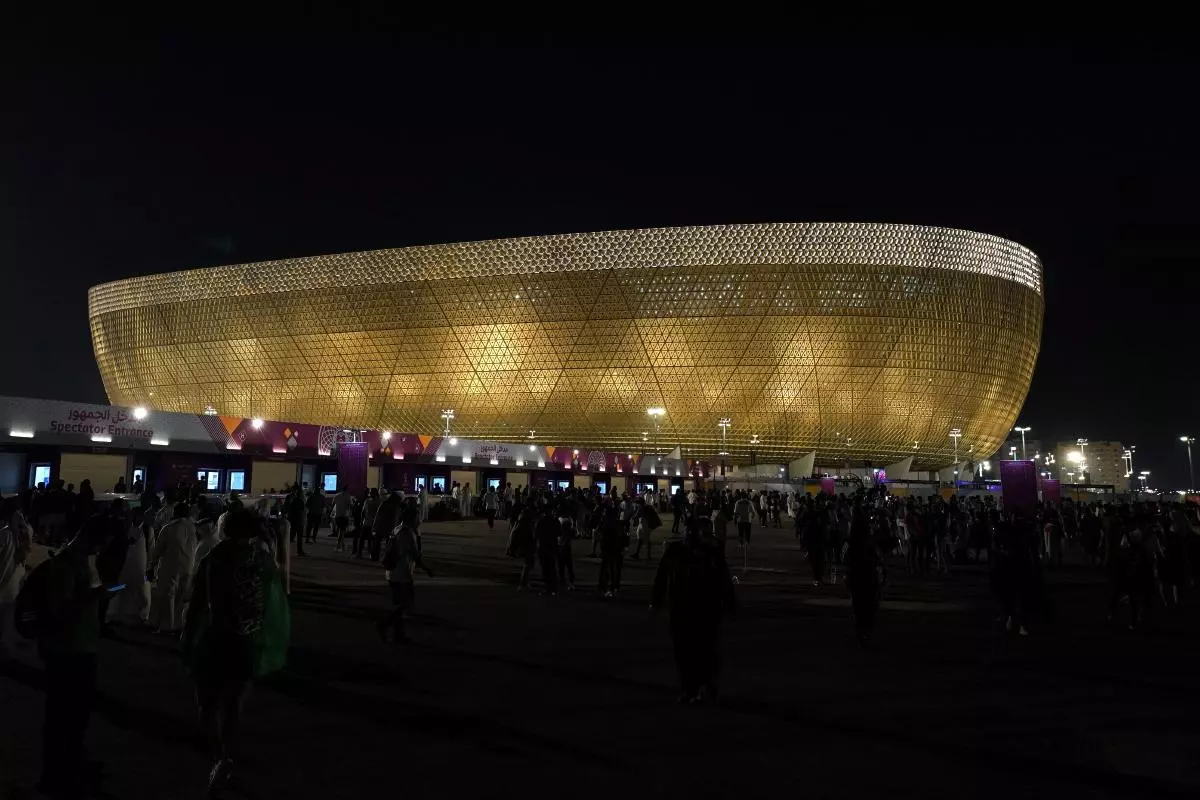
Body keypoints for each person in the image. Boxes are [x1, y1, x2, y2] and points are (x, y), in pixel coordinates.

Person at [184, 507, 288, 793]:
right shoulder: (263, 560)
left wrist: (187, 639)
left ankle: (219, 758)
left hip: (216, 639)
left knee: (207, 705)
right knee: (233, 708)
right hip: (247, 642)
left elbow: (196, 605)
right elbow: (272, 605)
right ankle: (226, 758)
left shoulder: (214, 558)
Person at [34, 515, 119, 797]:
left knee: (77, 713)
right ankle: (56, 775)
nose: (104, 548)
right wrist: (95, 597)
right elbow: (61, 610)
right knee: (62, 715)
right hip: (66, 650)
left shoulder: (83, 562)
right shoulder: (65, 565)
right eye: (104, 542)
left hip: (82, 646)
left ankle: (71, 764)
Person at [651, 524, 736, 703]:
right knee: (686, 650)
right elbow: (662, 576)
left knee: (705, 649)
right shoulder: (679, 553)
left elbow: (724, 580)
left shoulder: (709, 554)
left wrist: (729, 602)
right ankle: (692, 687)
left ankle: (706, 685)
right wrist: (657, 599)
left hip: (704, 609)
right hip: (684, 608)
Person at [376, 518, 433, 644]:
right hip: (402, 573)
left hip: (391, 572)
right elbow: (414, 554)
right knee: (406, 603)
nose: (419, 521)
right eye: (418, 518)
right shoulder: (408, 533)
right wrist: (426, 569)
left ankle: (398, 634)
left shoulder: (397, 529)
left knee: (399, 605)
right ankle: (385, 624)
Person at [149, 503, 198, 634]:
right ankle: (178, 626)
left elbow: (158, 550)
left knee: (168, 596)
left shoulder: (169, 528)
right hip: (188, 566)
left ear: (175, 513)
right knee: (181, 597)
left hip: (171, 567)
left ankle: (167, 626)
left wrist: (151, 566)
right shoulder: (193, 527)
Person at [845, 507, 882, 645]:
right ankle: (864, 631)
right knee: (869, 605)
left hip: (856, 577)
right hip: (867, 577)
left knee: (859, 606)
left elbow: (846, 560)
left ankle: (860, 632)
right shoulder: (868, 543)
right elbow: (877, 559)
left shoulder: (851, 543)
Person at [597, 505, 624, 598]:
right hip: (614, 549)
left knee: (607, 568)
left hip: (609, 549)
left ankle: (606, 587)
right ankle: (612, 587)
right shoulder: (616, 523)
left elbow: (603, 536)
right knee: (612, 569)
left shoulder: (607, 523)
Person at [534, 506, 560, 596]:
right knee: (552, 567)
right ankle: (553, 588)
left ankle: (549, 588)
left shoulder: (541, 522)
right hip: (552, 546)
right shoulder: (555, 521)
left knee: (546, 569)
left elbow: (536, 534)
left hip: (543, 547)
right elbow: (559, 533)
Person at [372, 491, 402, 563]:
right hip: (391, 527)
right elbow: (397, 518)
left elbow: (378, 515)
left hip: (381, 526)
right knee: (389, 544)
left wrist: (374, 526)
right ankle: (387, 558)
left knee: (377, 543)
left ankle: (375, 557)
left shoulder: (384, 503)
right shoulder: (396, 506)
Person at [356, 488, 380, 559]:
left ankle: (360, 554)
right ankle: (371, 554)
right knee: (371, 540)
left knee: (362, 539)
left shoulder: (367, 501)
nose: (370, 493)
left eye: (371, 492)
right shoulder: (379, 501)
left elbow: (363, 512)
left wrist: (361, 521)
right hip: (373, 523)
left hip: (367, 523)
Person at [286, 486, 307, 557]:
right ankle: (299, 551)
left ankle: (285, 550)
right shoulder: (301, 501)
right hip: (299, 520)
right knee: (299, 537)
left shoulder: (292, 501)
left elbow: (289, 510)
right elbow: (303, 511)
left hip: (292, 520)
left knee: (291, 536)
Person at [331, 485, 352, 553]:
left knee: (341, 531)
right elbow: (349, 506)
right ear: (347, 489)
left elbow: (333, 504)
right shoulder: (348, 496)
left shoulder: (336, 496)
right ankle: (338, 547)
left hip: (337, 515)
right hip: (344, 515)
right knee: (341, 532)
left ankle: (342, 546)